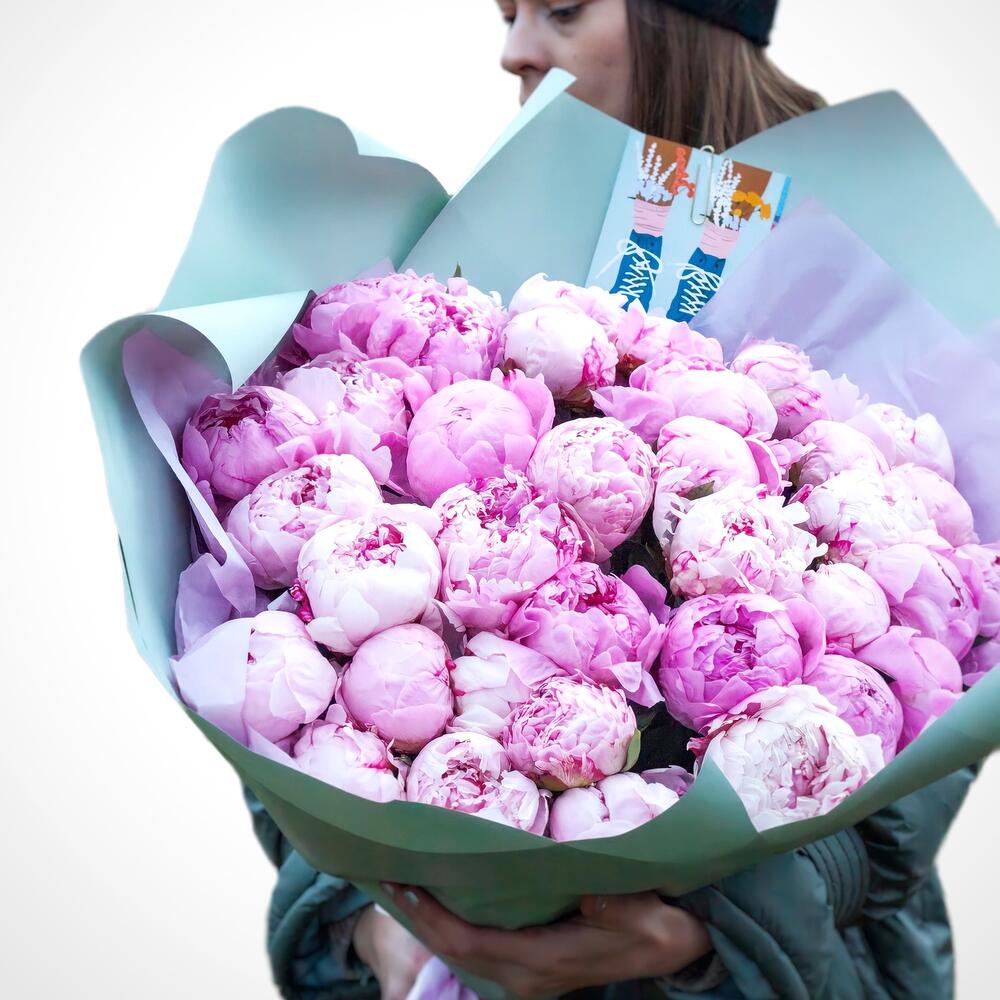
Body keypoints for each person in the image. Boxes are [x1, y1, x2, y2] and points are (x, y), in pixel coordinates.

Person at [245, 3, 977, 997]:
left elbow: (911, 766)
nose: (512, 49)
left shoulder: (872, 257)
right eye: (508, 13)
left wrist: (707, 936)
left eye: (560, 7)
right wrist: (373, 917)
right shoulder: (485, 275)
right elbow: (283, 688)